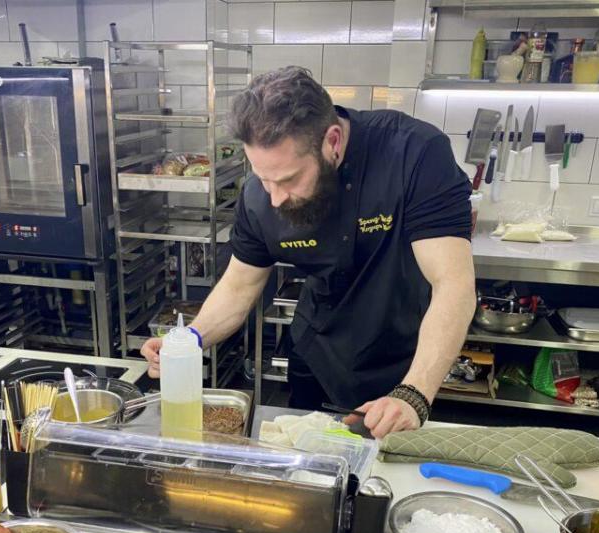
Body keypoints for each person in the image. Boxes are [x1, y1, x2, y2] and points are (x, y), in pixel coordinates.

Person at [141, 66, 476, 439]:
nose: (276, 197)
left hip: (404, 362)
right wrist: (189, 340)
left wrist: (414, 393)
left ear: (332, 141)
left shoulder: (414, 154)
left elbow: (453, 284)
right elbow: (238, 287)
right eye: (263, 178)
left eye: (287, 180)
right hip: (317, 352)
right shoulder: (260, 196)